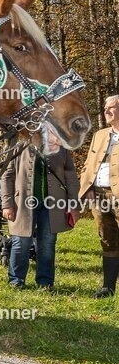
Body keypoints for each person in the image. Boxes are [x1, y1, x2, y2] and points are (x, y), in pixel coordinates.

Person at [2, 131, 78, 290]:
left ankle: (45, 282)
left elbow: (70, 176)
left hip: (52, 205)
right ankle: (16, 281)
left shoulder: (60, 146)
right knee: (20, 242)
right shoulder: (19, 145)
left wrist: (73, 203)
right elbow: (7, 175)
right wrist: (7, 203)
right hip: (22, 203)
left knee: (47, 244)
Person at [79, 94, 119, 298]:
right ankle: (108, 288)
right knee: (107, 240)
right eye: (105, 108)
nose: (106, 111)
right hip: (100, 196)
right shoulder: (100, 134)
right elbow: (89, 163)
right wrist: (87, 187)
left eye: (111, 107)